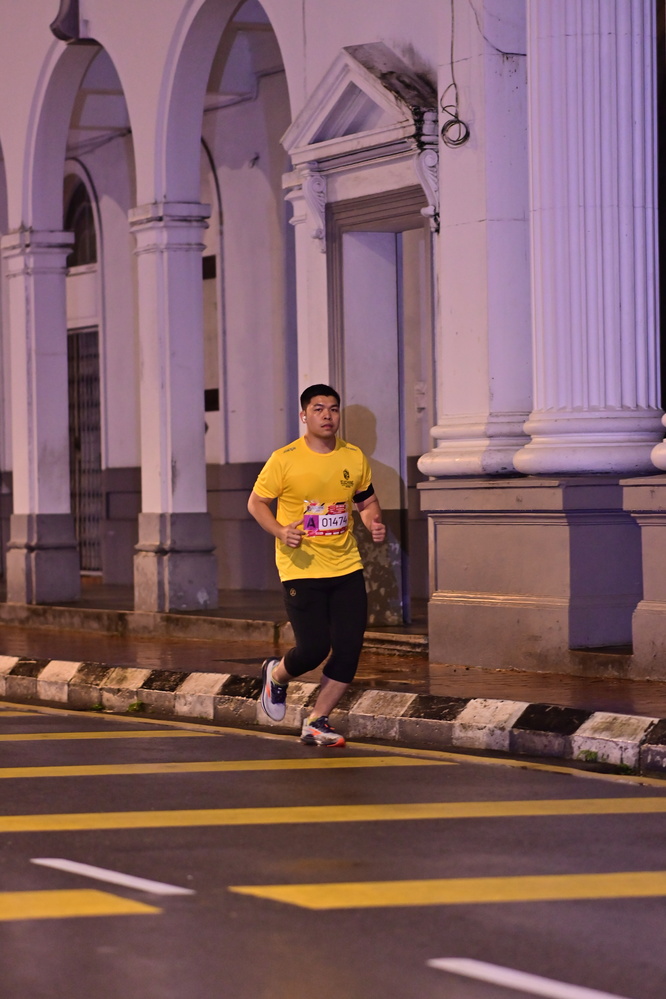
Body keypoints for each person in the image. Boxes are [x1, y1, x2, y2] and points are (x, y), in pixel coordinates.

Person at [247, 384, 386, 747]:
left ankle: (317, 721)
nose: (327, 415)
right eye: (319, 409)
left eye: (334, 409)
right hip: (301, 568)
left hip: (346, 565)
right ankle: (276, 676)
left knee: (349, 648)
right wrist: (280, 531)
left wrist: (373, 521)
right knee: (313, 649)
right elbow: (256, 503)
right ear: (304, 415)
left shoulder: (353, 456)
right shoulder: (285, 459)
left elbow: (366, 501)